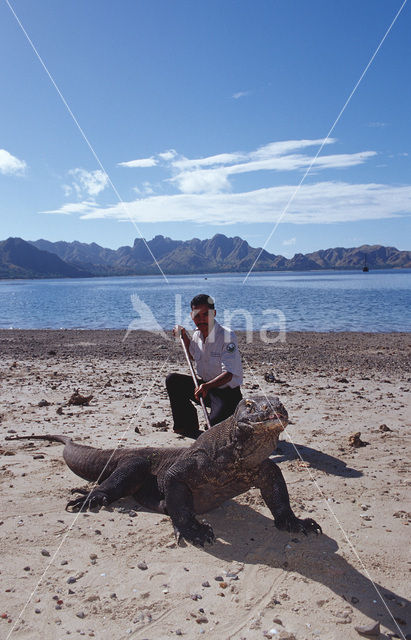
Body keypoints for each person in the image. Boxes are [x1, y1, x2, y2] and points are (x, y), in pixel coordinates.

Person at [166, 294, 243, 439]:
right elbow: (193, 355)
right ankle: (187, 426)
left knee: (213, 428)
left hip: (227, 394)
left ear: (213, 313)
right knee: (173, 380)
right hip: (205, 389)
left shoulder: (227, 336)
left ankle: (228, 416)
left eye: (205, 315)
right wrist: (184, 335)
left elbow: (229, 374)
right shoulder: (197, 335)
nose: (201, 319)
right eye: (197, 315)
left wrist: (207, 387)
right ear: (191, 315)